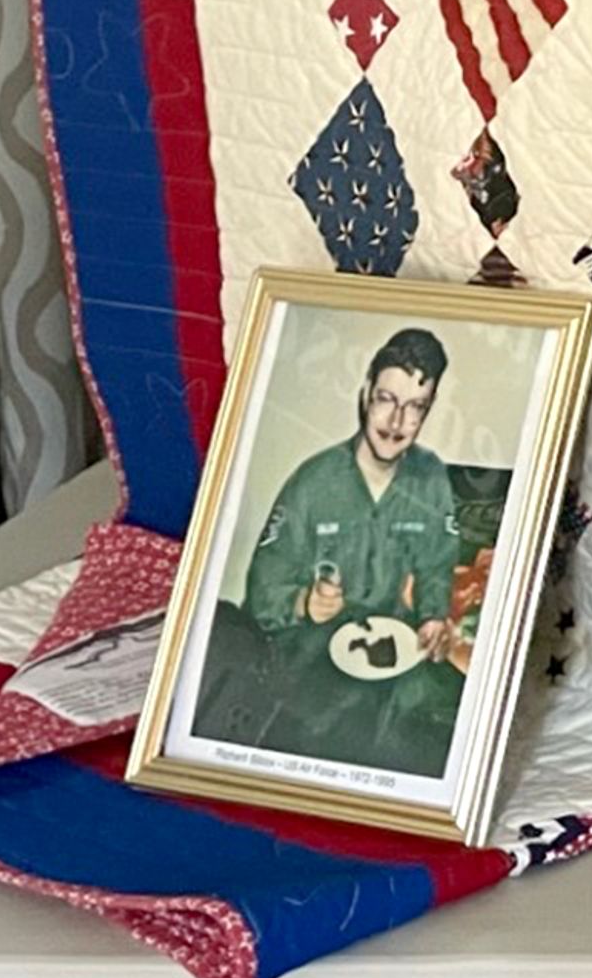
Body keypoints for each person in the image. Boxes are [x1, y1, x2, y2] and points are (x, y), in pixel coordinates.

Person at [198, 327, 474, 776]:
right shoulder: (312, 482)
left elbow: (438, 563)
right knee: (329, 750)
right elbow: (262, 588)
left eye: (415, 407)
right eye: (387, 399)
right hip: (308, 661)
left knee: (446, 743)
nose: (397, 421)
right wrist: (303, 602)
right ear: (366, 393)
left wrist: (431, 615)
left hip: (394, 655)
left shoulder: (431, 476)